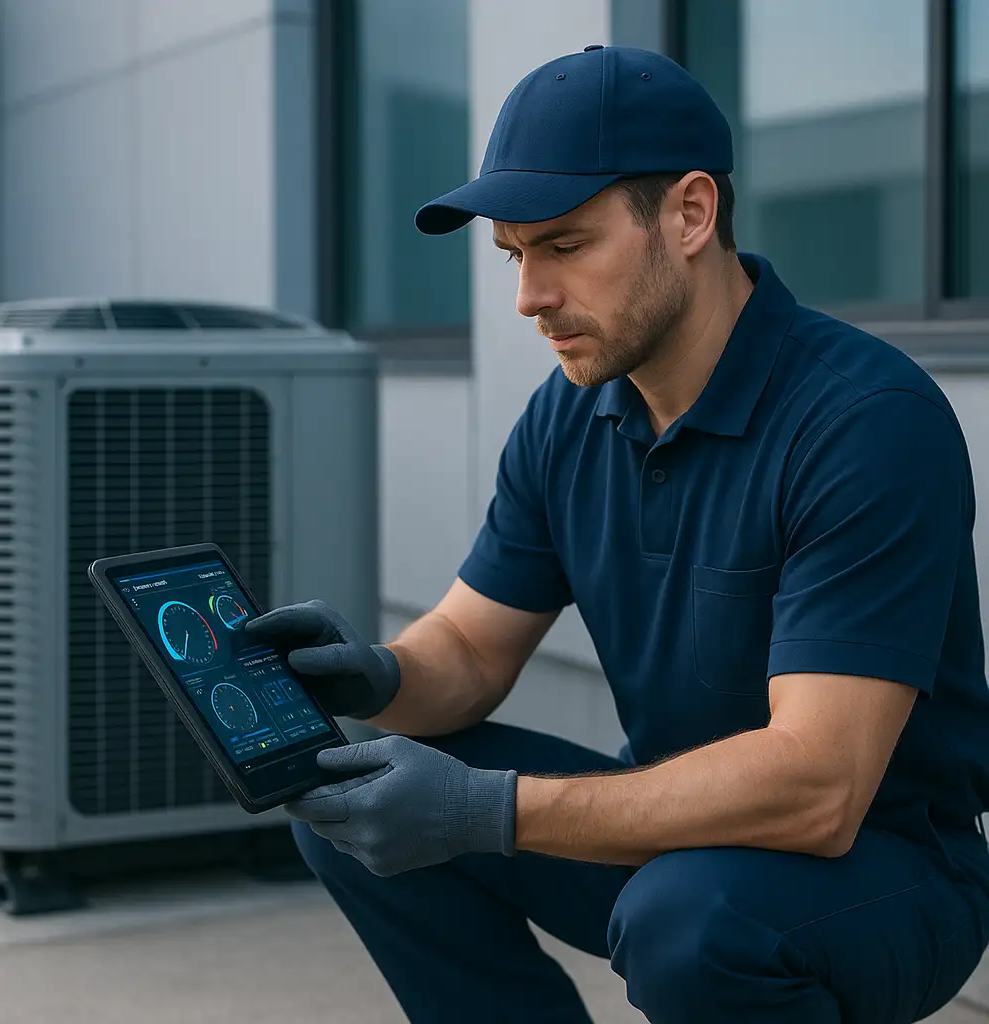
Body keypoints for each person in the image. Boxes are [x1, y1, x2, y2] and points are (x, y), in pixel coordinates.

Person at [246, 46, 989, 1023]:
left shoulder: (862, 420)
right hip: (681, 835)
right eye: (515, 255)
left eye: (563, 245)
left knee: (689, 921)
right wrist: (376, 676)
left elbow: (818, 785)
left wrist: (487, 808)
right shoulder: (569, 417)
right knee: (352, 800)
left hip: (880, 869)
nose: (528, 298)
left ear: (689, 214)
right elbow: (470, 646)